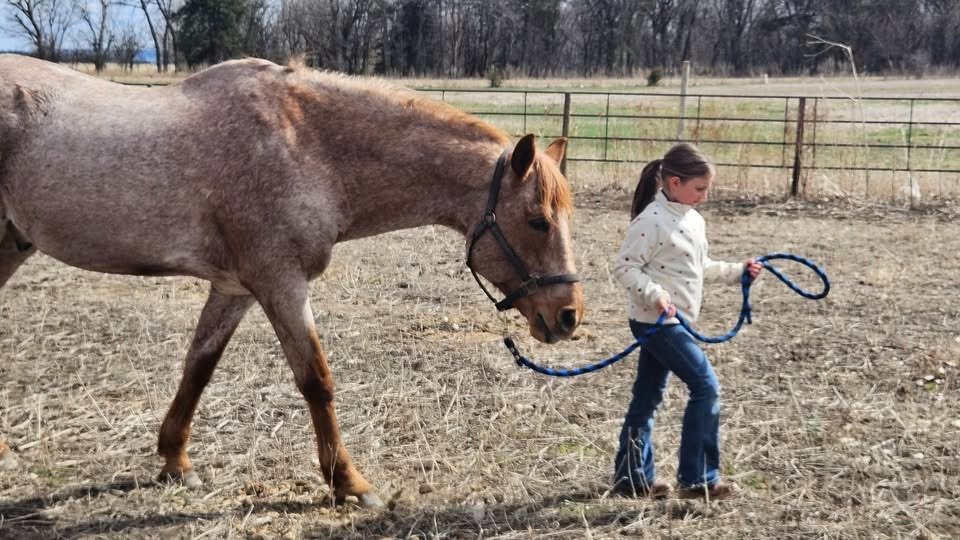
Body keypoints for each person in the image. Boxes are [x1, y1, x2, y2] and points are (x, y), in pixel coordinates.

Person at [611, 142, 762, 499]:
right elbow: (625, 268)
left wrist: (738, 271)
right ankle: (698, 478)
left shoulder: (692, 219)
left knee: (647, 397)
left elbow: (699, 266)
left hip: (675, 322)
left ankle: (631, 478)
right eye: (699, 188)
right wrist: (655, 294)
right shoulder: (650, 221)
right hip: (656, 323)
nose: (704, 196)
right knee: (706, 387)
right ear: (675, 183)